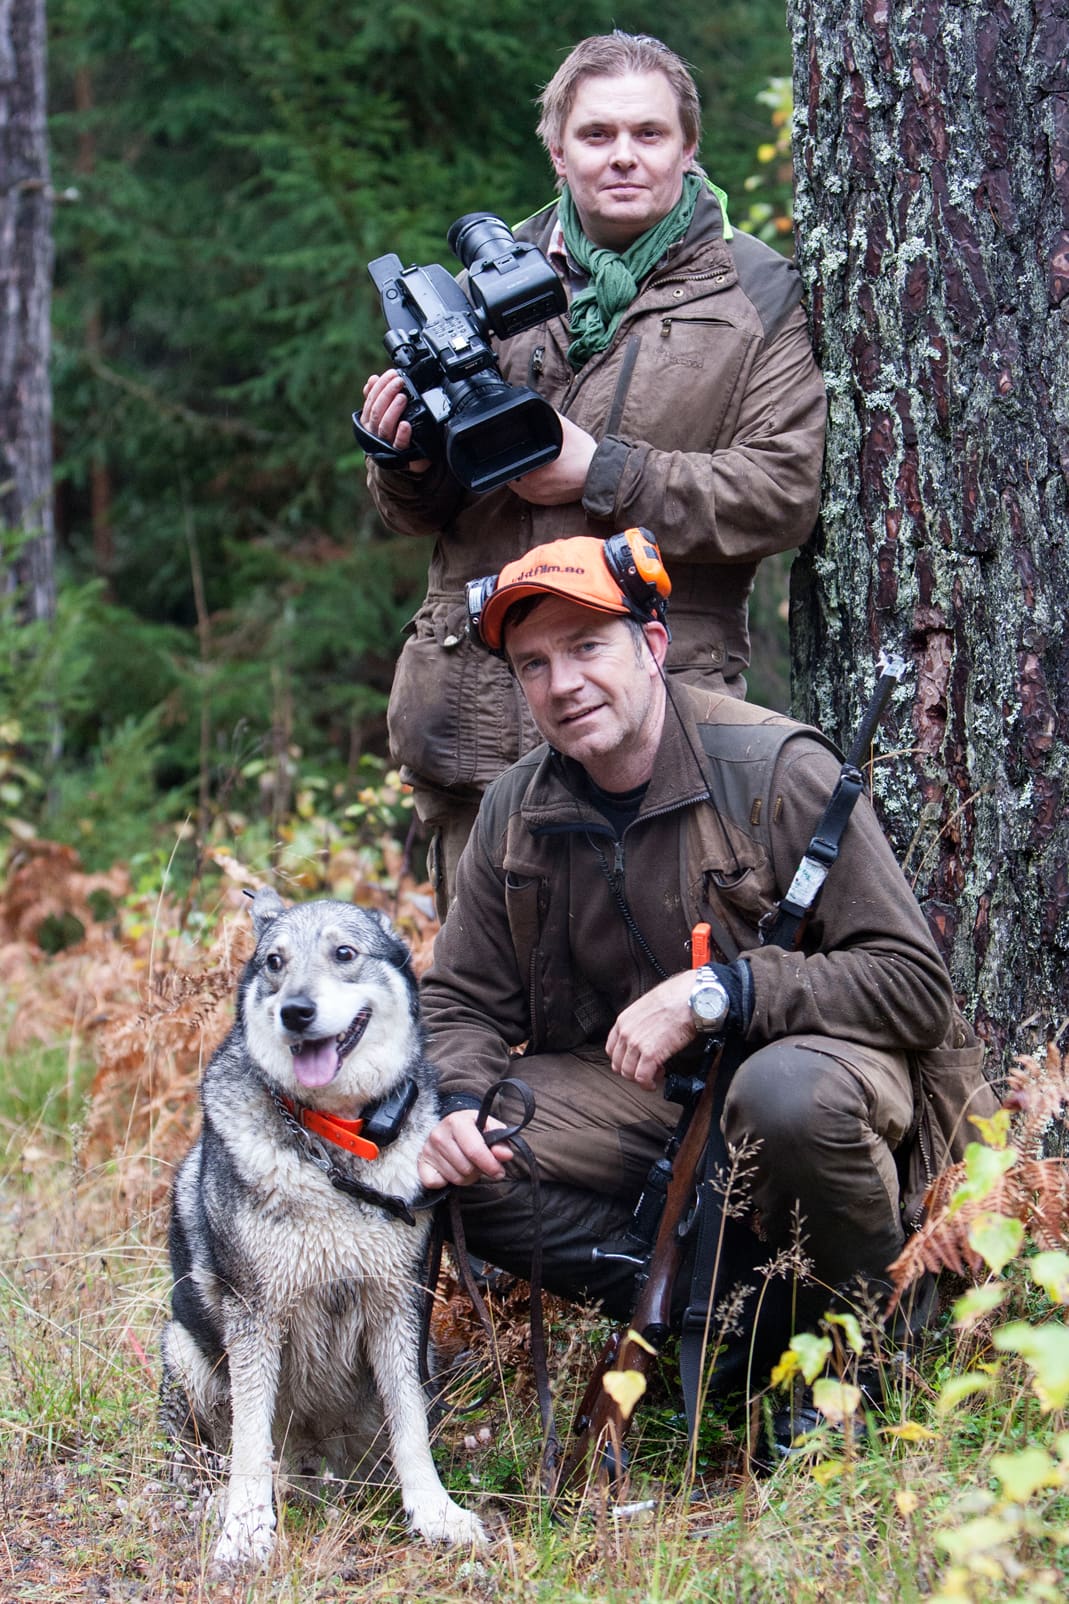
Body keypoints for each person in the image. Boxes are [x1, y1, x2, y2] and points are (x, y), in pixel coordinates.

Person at [413, 531, 987, 1424]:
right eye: (532, 665)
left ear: (651, 645)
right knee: (454, 1148)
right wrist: (449, 1100)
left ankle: (868, 1345)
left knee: (785, 1097)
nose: (561, 683)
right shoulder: (514, 809)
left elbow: (912, 984)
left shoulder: (774, 770)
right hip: (649, 1108)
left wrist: (726, 992)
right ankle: (735, 1331)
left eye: (585, 647)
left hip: (816, 1077)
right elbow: (457, 1001)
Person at [359, 31, 827, 917]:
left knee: (656, 1012)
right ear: (558, 150)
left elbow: (780, 494)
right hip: (479, 709)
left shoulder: (758, 294)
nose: (622, 156)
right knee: (478, 1018)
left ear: (689, 148)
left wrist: (597, 471)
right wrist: (406, 458)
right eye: (597, 134)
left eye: (648, 135)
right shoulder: (480, 285)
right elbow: (421, 512)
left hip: (657, 714)